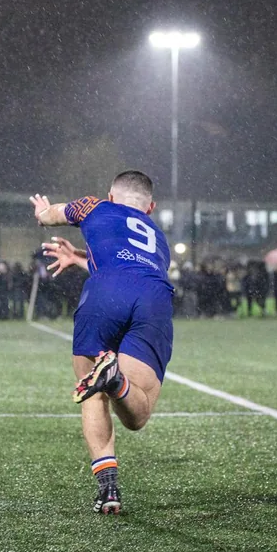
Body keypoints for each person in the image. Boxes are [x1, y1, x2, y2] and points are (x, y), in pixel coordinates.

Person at [30, 170, 174, 515]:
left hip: (103, 295)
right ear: (150, 208)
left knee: (91, 392)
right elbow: (130, 262)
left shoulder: (93, 207)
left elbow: (54, 216)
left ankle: (108, 488)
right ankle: (119, 382)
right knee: (137, 417)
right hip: (153, 298)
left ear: (111, 197)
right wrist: (81, 258)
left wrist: (42, 214)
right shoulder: (159, 238)